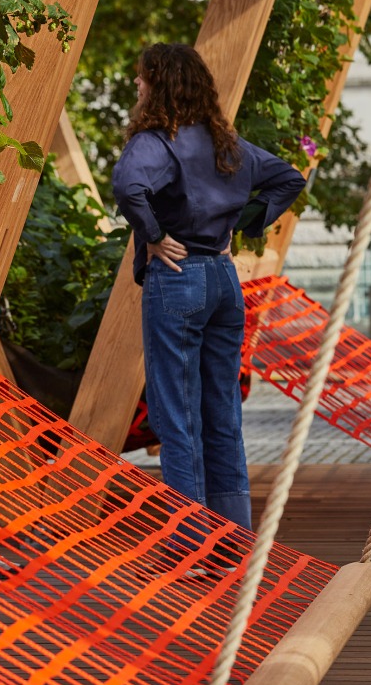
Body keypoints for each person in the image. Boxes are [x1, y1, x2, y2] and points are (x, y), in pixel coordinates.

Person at [112, 43, 306, 531]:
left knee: (176, 418)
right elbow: (288, 178)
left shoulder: (156, 142)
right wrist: (243, 223)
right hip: (223, 281)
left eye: (143, 77)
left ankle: (191, 543)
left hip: (178, 281)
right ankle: (233, 537)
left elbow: (127, 187)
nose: (137, 84)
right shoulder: (226, 144)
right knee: (222, 413)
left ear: (160, 84)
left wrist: (155, 235)